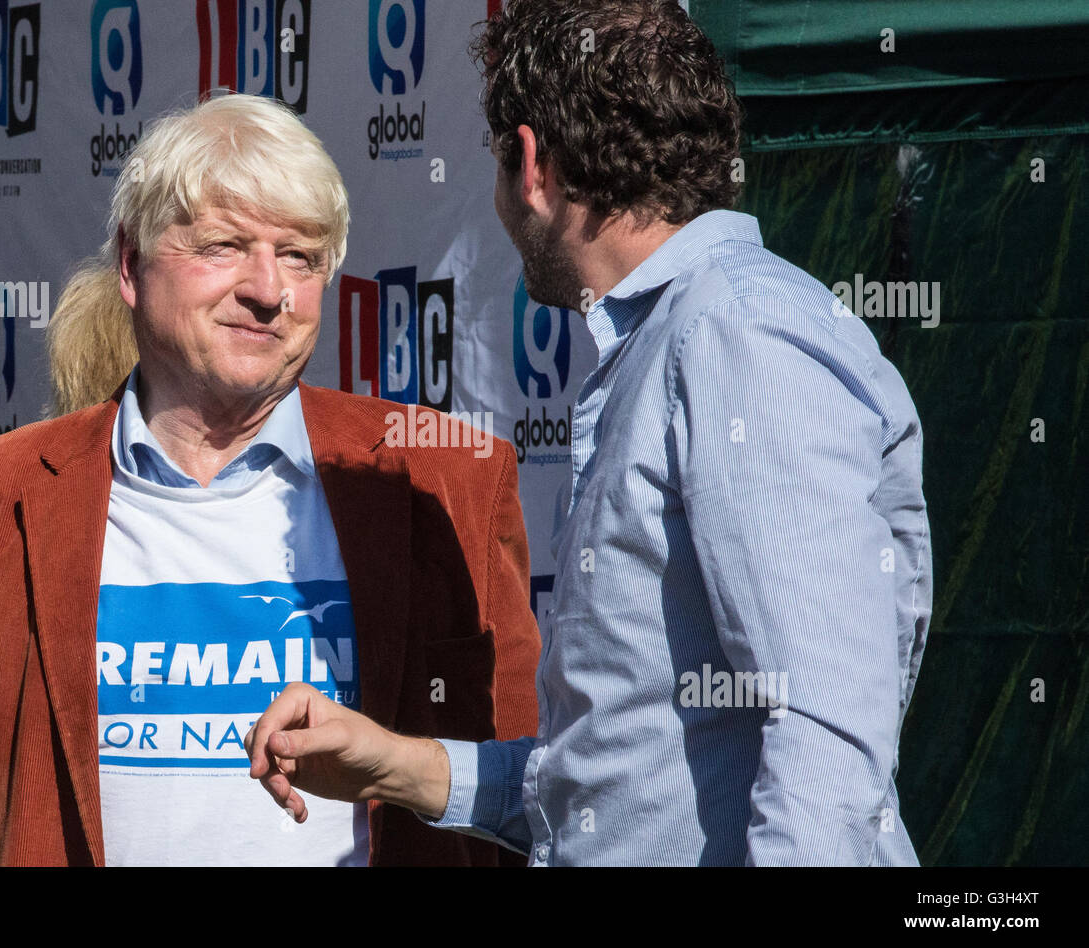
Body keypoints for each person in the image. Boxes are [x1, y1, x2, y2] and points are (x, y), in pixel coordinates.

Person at [246, 0, 933, 866]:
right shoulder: (676, 336)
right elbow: (611, 784)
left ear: (529, 163)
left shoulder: (735, 332)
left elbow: (828, 725)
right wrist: (394, 764)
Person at [0, 93, 540, 867]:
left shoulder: (448, 485)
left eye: (301, 256)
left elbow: (542, 803)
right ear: (131, 265)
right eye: (224, 246)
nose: (268, 289)